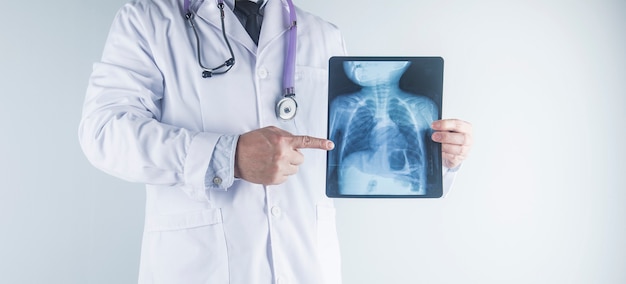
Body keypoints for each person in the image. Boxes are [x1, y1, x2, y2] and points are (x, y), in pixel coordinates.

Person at [78, 0, 473, 283]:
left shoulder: (322, 35)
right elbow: (104, 131)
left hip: (306, 265)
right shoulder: (147, 19)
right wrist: (226, 156)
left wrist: (434, 156)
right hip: (201, 266)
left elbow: (338, 154)